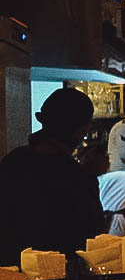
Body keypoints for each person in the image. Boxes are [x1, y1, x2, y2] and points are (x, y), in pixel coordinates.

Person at [0, 88, 106, 264]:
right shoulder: (74, 176)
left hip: (10, 276)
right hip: (60, 279)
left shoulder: (12, 161)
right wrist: (90, 176)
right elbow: (93, 238)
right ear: (82, 130)